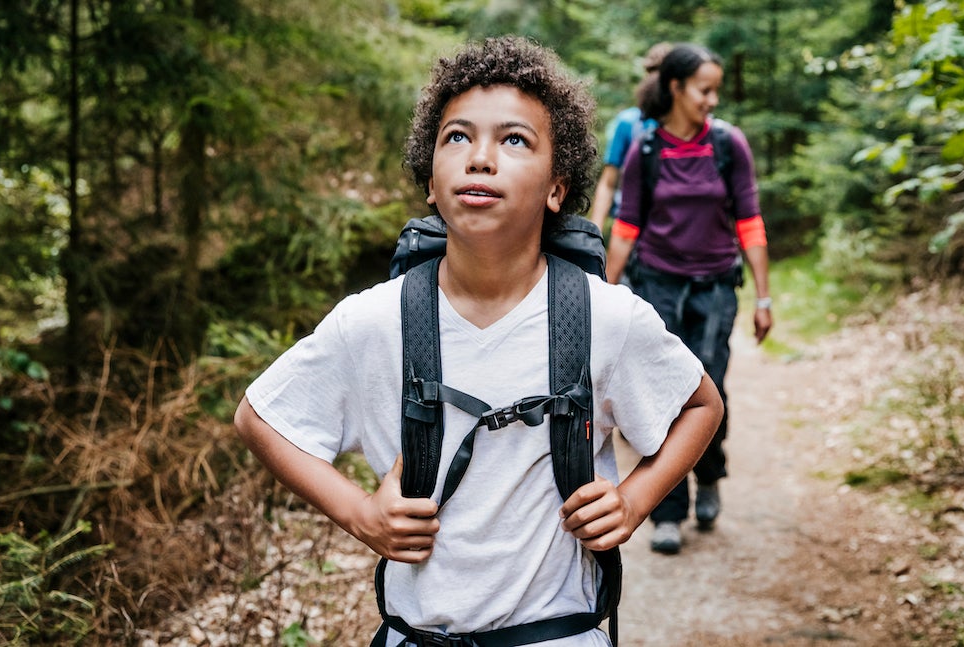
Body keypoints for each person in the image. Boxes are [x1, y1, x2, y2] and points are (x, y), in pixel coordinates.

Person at [234, 36, 723, 646]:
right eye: (456, 137)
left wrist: (635, 500)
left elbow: (701, 404)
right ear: (430, 184)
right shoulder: (373, 321)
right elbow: (260, 416)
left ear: (556, 188)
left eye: (514, 140)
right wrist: (360, 513)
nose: (481, 158)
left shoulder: (606, 317)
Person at [604, 43, 773, 555]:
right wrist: (604, 293)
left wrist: (763, 297)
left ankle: (712, 474)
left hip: (717, 286)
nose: (712, 99)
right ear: (675, 88)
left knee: (710, 388)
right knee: (666, 398)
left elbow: (749, 220)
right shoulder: (645, 150)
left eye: (716, 89)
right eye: (704, 89)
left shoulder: (728, 145)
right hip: (657, 285)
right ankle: (669, 512)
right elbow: (626, 227)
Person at [588, 42, 671, 235]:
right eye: (652, 72)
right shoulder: (628, 123)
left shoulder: (684, 125)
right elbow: (608, 181)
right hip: (629, 226)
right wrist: (594, 234)